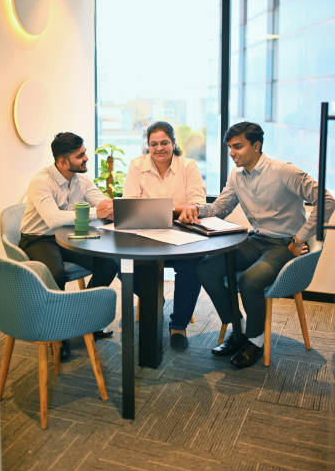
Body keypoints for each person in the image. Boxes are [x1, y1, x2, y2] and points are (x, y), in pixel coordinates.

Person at [179, 121, 335, 368]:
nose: (232, 153)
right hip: (256, 239)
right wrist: (195, 208)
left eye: (238, 146)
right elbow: (220, 208)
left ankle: (255, 341)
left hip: (284, 244)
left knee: (249, 280)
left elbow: (326, 200)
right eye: (230, 147)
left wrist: (300, 238)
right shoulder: (237, 175)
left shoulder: (284, 171)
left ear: (257, 145)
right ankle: (238, 328)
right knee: (206, 269)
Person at [19, 132, 118, 357]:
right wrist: (97, 212)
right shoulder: (41, 181)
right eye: (80, 155)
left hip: (68, 235)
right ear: (63, 162)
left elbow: (101, 202)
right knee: (55, 273)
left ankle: (85, 322)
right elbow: (53, 219)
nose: (86, 158)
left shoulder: (82, 178)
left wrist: (110, 207)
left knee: (109, 264)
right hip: (39, 237)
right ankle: (59, 335)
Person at [123, 121, 206, 351]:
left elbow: (198, 202)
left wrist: (160, 207)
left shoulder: (188, 166)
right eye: (154, 144)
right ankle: (153, 299)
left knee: (192, 266)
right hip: (145, 233)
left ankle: (178, 326)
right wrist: (178, 208)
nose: (159, 148)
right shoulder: (137, 166)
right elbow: (129, 203)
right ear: (148, 145)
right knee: (124, 263)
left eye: (164, 143)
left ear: (173, 143)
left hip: (180, 234)